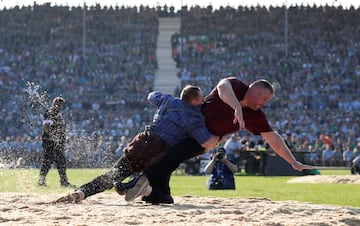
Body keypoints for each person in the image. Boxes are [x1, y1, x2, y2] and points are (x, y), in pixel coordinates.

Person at [136, 77, 313, 204]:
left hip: (203, 139)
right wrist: (236, 107)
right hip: (188, 122)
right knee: (167, 159)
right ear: (254, 90)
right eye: (264, 98)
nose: (264, 103)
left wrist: (293, 161)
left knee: (171, 158)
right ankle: (158, 194)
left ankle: (145, 184)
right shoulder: (236, 86)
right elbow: (222, 86)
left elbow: (273, 138)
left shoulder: (256, 116)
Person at [54, 85, 220, 203]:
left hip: (141, 143)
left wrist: (165, 102)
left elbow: (151, 96)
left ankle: (82, 192)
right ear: (194, 101)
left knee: (113, 174)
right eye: (201, 97)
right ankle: (140, 185)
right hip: (158, 155)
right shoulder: (194, 118)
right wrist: (221, 136)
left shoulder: (168, 101)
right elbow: (206, 141)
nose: (204, 100)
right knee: (163, 194)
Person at [38, 97, 75, 187]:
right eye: (57, 104)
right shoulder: (50, 113)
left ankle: (61, 181)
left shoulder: (58, 114)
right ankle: (62, 182)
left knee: (55, 161)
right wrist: (54, 137)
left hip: (56, 142)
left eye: (60, 105)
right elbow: (46, 127)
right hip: (50, 142)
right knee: (52, 161)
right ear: (54, 104)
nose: (59, 106)